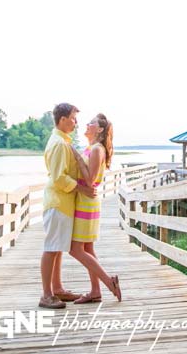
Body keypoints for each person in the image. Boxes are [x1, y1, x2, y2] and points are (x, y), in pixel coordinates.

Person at [38, 103, 96, 309]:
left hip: (63, 204)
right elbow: (58, 178)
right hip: (58, 203)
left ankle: (58, 289)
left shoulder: (63, 141)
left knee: (58, 248)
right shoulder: (60, 144)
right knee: (51, 248)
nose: (76, 122)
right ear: (62, 119)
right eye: (73, 118)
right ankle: (46, 295)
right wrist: (83, 190)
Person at [68, 113, 122, 303]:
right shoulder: (92, 147)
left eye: (91, 123)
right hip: (85, 200)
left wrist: (76, 156)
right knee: (88, 248)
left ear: (99, 129)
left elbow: (90, 180)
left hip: (86, 201)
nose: (87, 124)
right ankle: (95, 291)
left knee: (75, 249)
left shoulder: (97, 149)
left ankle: (109, 282)